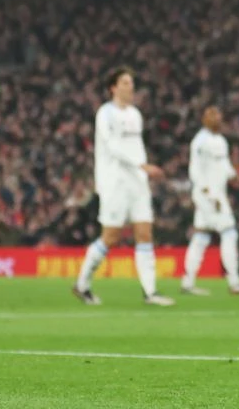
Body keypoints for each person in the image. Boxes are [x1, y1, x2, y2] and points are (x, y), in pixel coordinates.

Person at [72, 67, 175, 306]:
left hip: (137, 182)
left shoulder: (135, 114)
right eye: (126, 83)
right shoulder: (105, 114)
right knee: (110, 237)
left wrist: (143, 171)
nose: (131, 87)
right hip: (114, 182)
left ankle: (150, 292)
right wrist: (142, 165)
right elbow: (112, 148)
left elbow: (136, 147)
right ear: (113, 88)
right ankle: (82, 284)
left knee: (145, 233)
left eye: (132, 82)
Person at [180, 106, 239, 296]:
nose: (217, 120)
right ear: (204, 119)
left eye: (219, 116)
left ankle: (188, 282)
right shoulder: (200, 141)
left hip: (217, 194)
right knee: (229, 232)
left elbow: (224, 167)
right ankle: (234, 282)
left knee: (201, 236)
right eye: (212, 116)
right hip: (208, 194)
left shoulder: (221, 141)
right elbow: (195, 170)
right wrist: (208, 194)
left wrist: (236, 177)